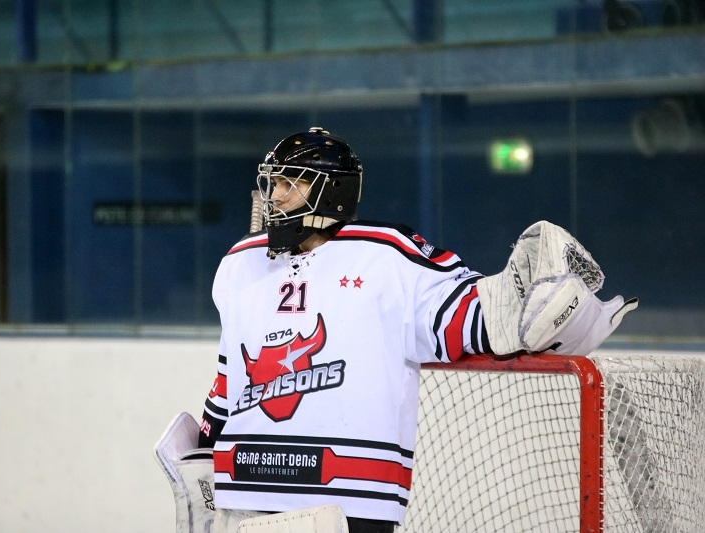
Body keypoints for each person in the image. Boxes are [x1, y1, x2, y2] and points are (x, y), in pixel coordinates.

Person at [156, 127, 637, 533]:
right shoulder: (240, 264)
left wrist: (529, 308)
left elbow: (468, 318)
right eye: (273, 183)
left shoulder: (387, 254)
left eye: (290, 184)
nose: (275, 196)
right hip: (247, 488)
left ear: (331, 189)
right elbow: (230, 374)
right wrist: (205, 445)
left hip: (348, 499)